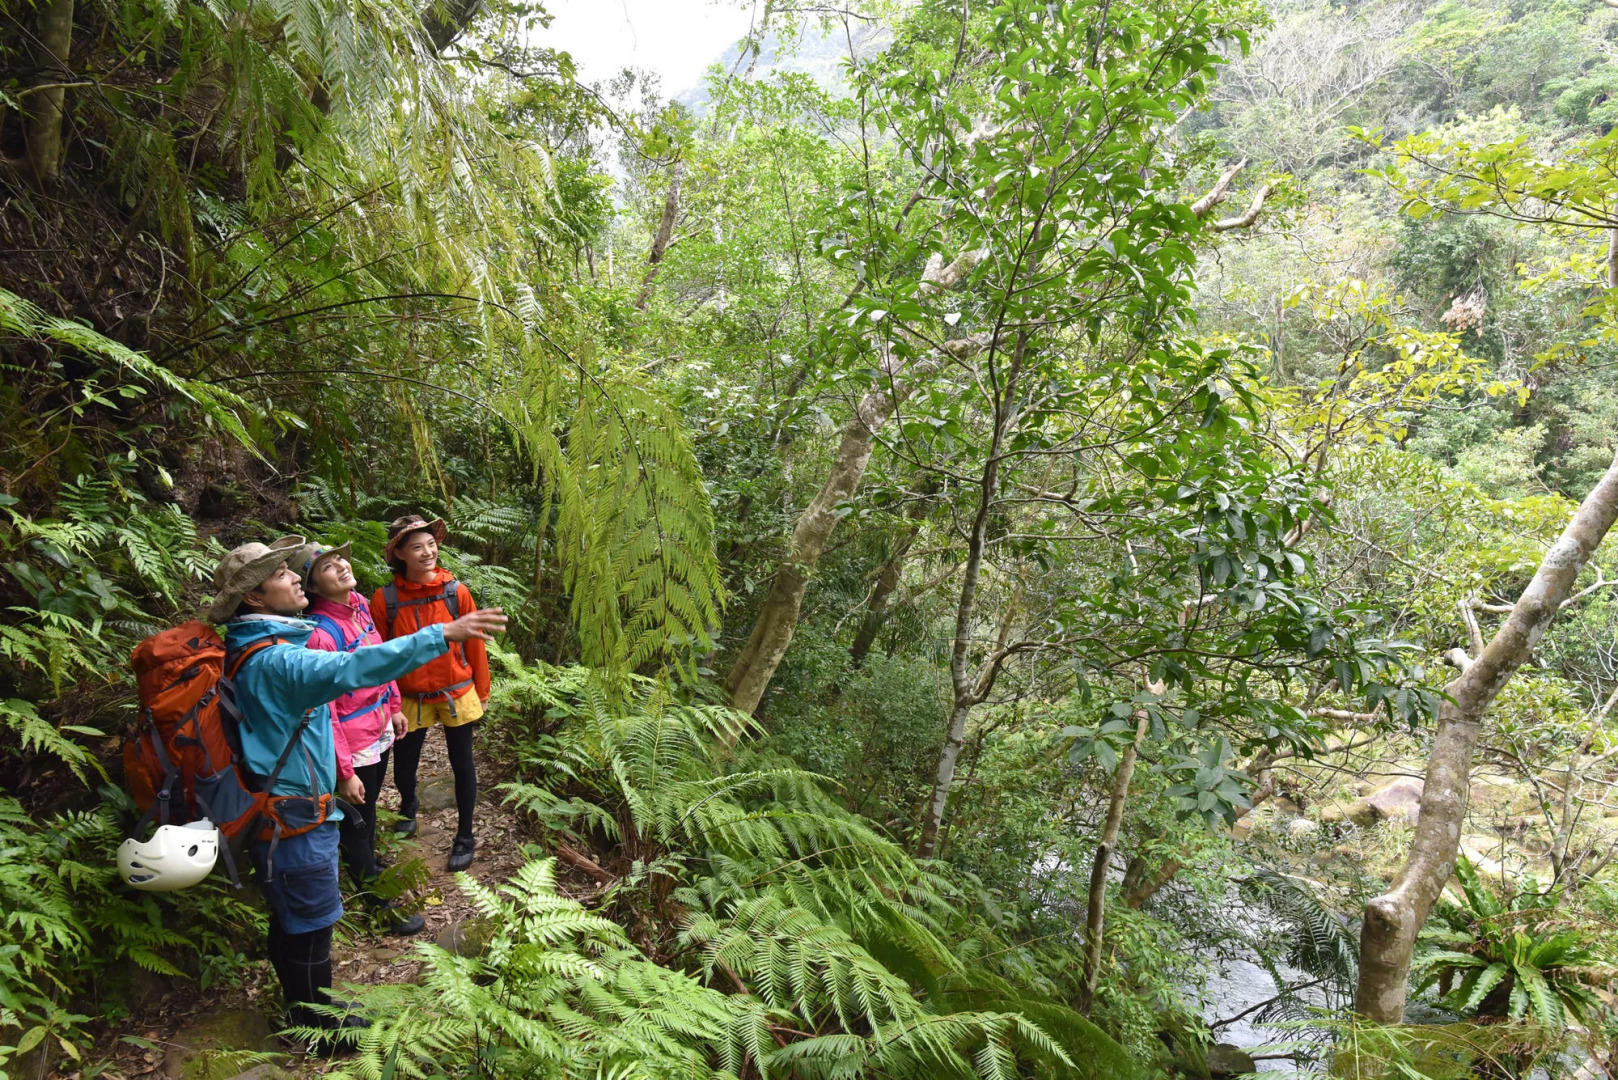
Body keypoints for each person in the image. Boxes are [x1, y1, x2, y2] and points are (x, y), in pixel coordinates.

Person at [206, 537, 505, 1050]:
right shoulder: (274, 661)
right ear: (254, 599)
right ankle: (319, 1029)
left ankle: (308, 1009)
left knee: (296, 919)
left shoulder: (267, 646)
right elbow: (348, 670)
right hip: (294, 814)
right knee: (312, 922)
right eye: (281, 573)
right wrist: (442, 634)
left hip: (286, 805)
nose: (295, 575)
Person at [298, 542, 425, 937]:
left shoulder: (358, 605)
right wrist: (343, 770)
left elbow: (380, 658)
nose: (340, 567)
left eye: (339, 560)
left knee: (366, 817)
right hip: (353, 743)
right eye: (326, 568)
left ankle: (367, 867)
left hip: (377, 727)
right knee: (358, 820)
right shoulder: (321, 635)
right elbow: (326, 710)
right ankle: (376, 903)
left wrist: (394, 705)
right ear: (314, 588)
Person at [370, 515, 489, 872]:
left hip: (457, 690)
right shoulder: (385, 599)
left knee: (463, 765)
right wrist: (388, 701)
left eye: (431, 545)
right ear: (400, 554)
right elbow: (378, 656)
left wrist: (482, 691)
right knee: (404, 767)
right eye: (417, 547)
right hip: (408, 696)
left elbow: (475, 645)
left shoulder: (456, 592)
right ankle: (408, 806)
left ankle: (464, 836)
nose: (427, 553)